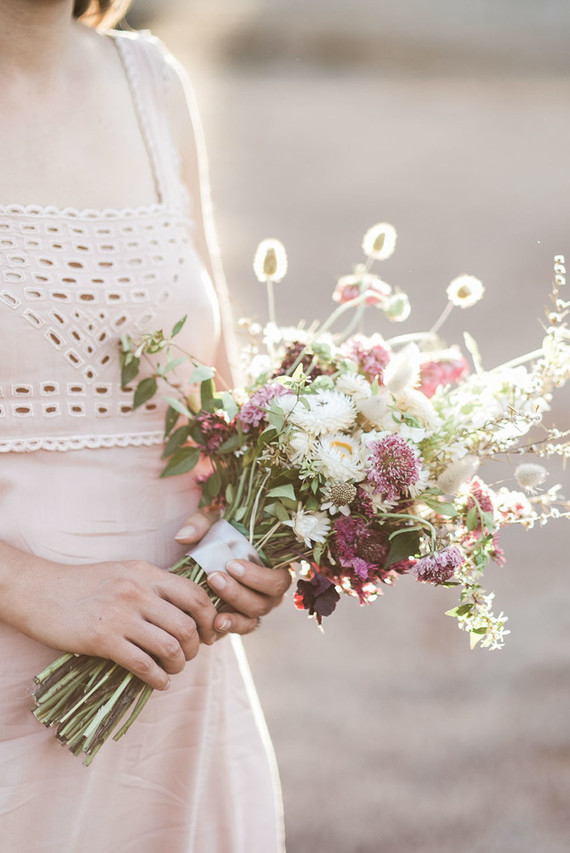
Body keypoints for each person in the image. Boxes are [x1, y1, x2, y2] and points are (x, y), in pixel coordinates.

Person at [0, 1, 290, 850]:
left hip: (175, 686)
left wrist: (251, 542)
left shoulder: (152, 85)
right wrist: (32, 588)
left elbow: (218, 402)